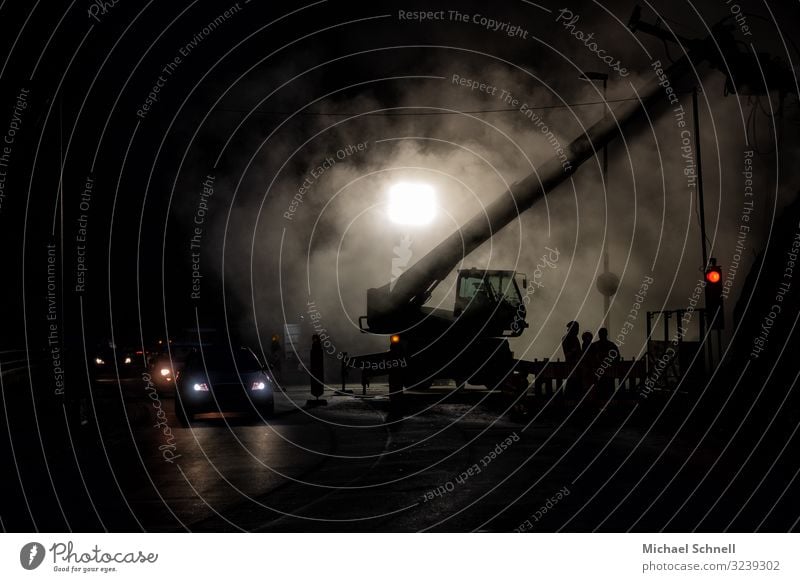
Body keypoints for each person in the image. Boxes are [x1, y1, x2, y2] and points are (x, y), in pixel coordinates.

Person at [593, 328, 620, 400]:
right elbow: (617, 357)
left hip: (602, 373)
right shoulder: (611, 345)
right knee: (607, 393)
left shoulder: (594, 345)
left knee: (601, 393)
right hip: (607, 373)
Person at [561, 321, 581, 398]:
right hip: (571, 364)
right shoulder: (567, 338)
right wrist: (574, 350)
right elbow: (567, 353)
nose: (577, 331)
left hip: (575, 365)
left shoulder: (575, 338)